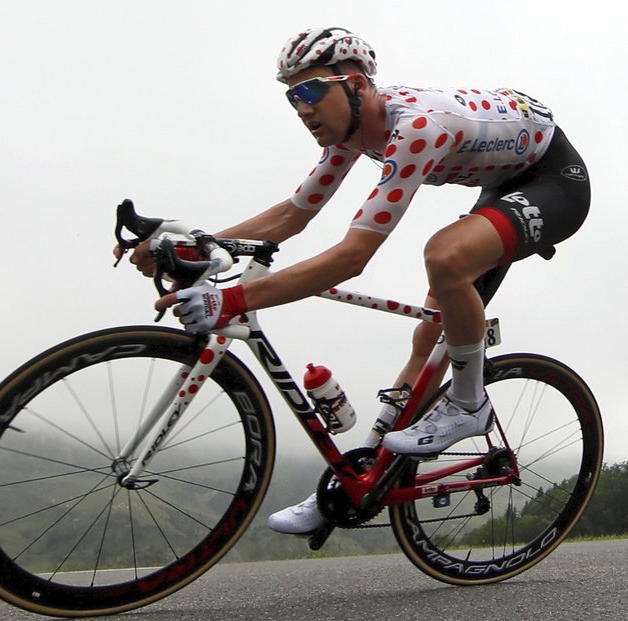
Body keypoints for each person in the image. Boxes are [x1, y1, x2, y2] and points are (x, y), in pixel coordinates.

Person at [122, 27, 590, 536]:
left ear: (358, 85)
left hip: (553, 179)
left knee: (445, 256)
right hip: (503, 183)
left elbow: (352, 256)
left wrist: (231, 298)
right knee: (430, 333)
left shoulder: (417, 127)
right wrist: (197, 241)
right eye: (291, 96)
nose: (300, 108)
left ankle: (470, 403)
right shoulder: (351, 134)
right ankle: (362, 478)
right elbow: (291, 216)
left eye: (309, 91)